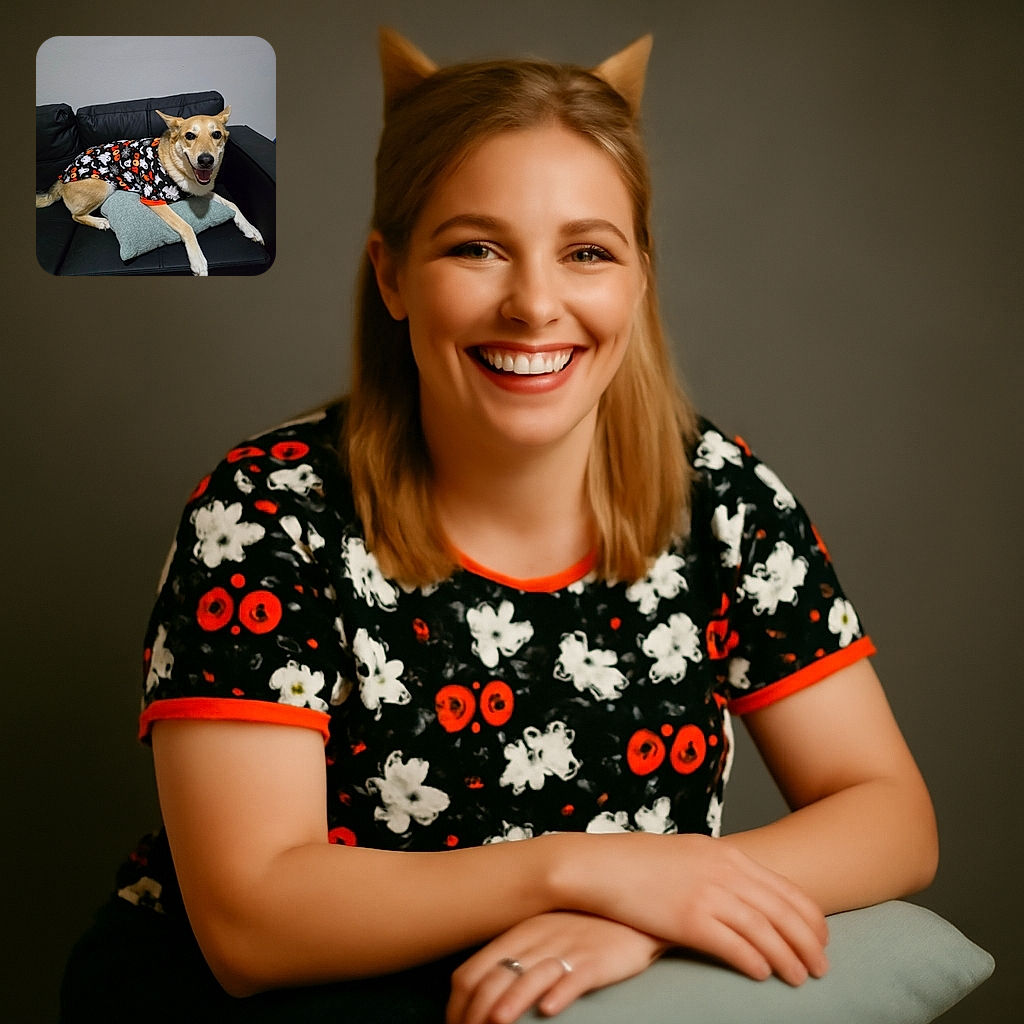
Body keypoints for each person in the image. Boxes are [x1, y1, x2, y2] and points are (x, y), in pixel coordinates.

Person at [60, 28, 938, 1024]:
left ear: (639, 275)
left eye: (586, 252)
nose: (533, 304)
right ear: (390, 276)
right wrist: (596, 873)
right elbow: (253, 924)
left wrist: (649, 911)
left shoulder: (717, 492)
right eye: (475, 247)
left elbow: (891, 816)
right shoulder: (267, 510)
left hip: (583, 988)